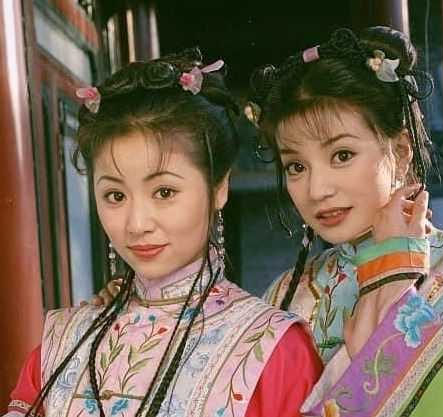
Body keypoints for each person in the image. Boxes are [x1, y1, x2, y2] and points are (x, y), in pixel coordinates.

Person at [4, 48, 322, 417]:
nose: (137, 223)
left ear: (219, 186)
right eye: (115, 195)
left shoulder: (274, 350)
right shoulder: (60, 346)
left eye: (164, 192)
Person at [247, 26, 443, 416]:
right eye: (296, 166)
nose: (317, 189)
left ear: (401, 151)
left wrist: (391, 286)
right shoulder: (283, 295)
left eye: (341, 155)